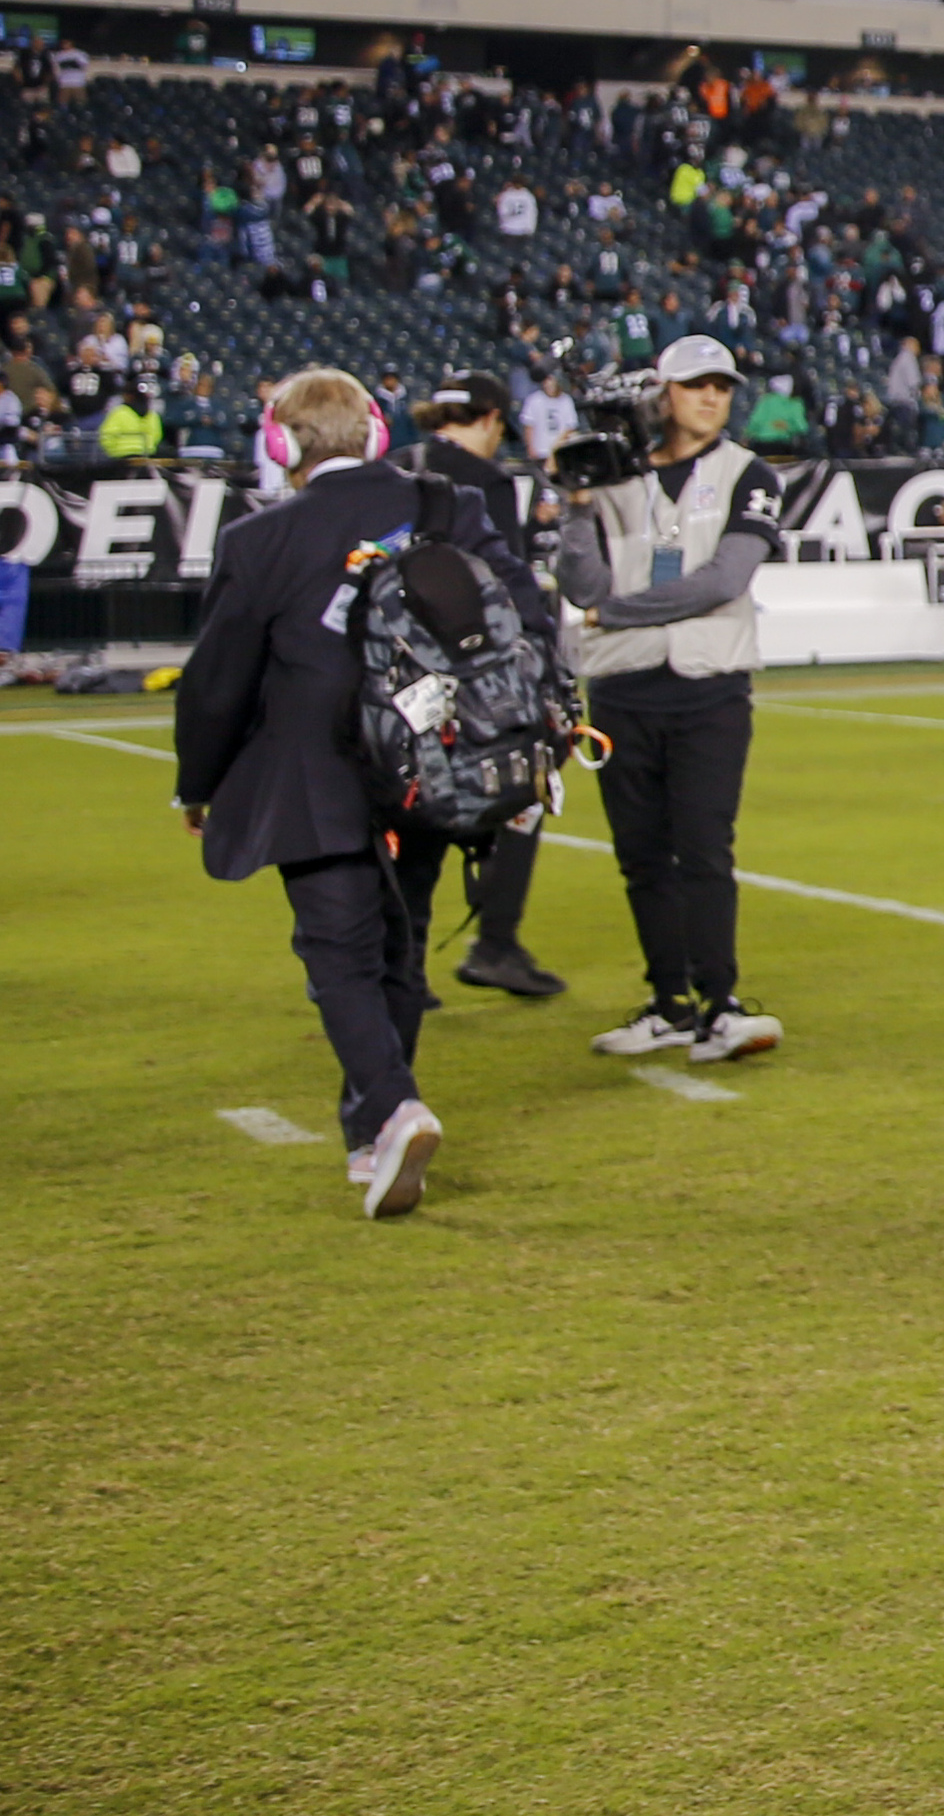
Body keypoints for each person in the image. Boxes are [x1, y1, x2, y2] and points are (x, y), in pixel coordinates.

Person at [171, 368, 532, 1218]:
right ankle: (371, 1132)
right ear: (374, 431)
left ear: (281, 445)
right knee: (397, 944)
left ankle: (391, 1105)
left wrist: (198, 781)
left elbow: (217, 681)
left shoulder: (260, 541)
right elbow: (522, 614)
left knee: (337, 950)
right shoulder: (448, 504)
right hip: (436, 760)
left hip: (317, 770)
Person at [556, 332, 788, 1062]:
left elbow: (725, 580)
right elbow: (581, 585)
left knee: (704, 848)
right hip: (623, 685)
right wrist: (573, 502)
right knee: (642, 856)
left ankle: (719, 1002)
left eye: (722, 384)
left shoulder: (750, 474)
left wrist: (615, 613)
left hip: (708, 686)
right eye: (696, 385)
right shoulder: (611, 477)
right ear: (664, 393)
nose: (713, 396)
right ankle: (668, 1003)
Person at [405, 369, 570, 998]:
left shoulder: (395, 465)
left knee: (408, 807)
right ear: (493, 420)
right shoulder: (488, 483)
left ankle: (406, 960)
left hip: (397, 677)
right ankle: (495, 942)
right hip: (472, 677)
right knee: (521, 790)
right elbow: (500, 583)